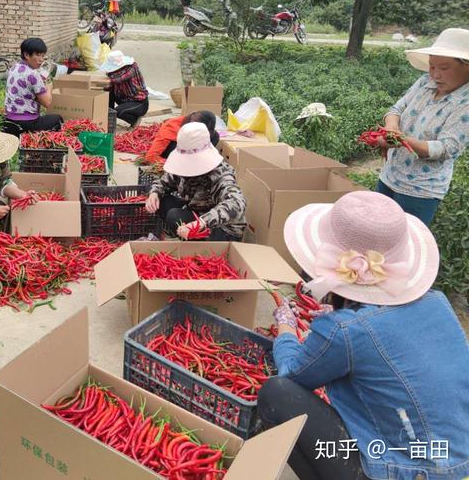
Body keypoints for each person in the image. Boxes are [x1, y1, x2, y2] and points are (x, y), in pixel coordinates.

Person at [257, 191, 469, 480]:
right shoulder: (438, 303)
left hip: (403, 469)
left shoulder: (345, 330)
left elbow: (292, 374)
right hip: (452, 459)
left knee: (277, 394)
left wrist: (285, 326)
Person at [370, 28, 469, 226]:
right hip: (390, 176)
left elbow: (445, 149)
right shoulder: (425, 82)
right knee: (376, 228)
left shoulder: (465, 103)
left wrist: (401, 140)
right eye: (432, 66)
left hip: (420, 192)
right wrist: (391, 129)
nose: (435, 74)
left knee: (405, 241)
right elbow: (397, 108)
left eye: (444, 68)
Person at [145, 123, 246, 241]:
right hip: (196, 211)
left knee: (174, 216)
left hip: (221, 228)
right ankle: (185, 234)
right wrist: (154, 193)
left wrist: (202, 222)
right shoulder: (183, 167)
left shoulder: (220, 175)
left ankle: (194, 240)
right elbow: (164, 181)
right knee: (163, 202)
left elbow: (237, 202)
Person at [2, 37, 63, 137]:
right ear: (26, 55)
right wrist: (49, 85)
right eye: (38, 55)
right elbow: (47, 103)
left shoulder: (14, 68)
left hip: (9, 123)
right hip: (26, 124)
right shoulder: (33, 74)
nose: (41, 60)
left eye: (43, 56)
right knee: (57, 119)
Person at [144, 110, 221, 165]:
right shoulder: (171, 127)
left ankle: (196, 161)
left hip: (192, 156)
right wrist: (175, 165)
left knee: (215, 136)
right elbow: (151, 157)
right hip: (174, 157)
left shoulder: (208, 132)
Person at [100, 50, 149, 128]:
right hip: (124, 100)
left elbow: (121, 78)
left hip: (139, 102)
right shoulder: (113, 73)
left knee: (118, 112)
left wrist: (106, 81)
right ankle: (108, 116)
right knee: (108, 91)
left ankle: (134, 120)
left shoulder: (132, 67)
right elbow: (110, 80)